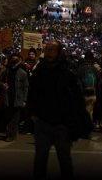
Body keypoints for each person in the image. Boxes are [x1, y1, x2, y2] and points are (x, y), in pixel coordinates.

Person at [27, 40, 86, 178]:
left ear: (59, 52)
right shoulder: (39, 70)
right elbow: (32, 93)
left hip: (62, 124)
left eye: (52, 50)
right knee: (40, 161)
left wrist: (71, 121)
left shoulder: (67, 72)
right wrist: (32, 114)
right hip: (42, 122)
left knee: (65, 160)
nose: (48, 52)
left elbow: (76, 97)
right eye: (47, 49)